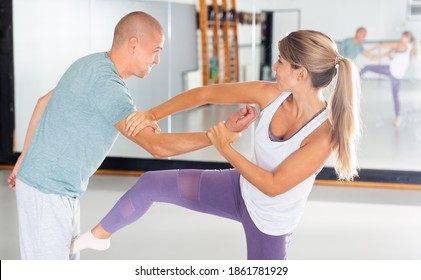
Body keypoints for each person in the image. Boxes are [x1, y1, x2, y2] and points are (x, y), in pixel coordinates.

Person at [71, 30, 361, 260]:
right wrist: (151, 114)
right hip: (238, 189)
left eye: (281, 62)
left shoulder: (323, 135)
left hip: (270, 224)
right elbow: (205, 94)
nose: (274, 67)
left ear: (301, 74)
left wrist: (226, 148)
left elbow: (273, 184)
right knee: (151, 184)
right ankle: (99, 236)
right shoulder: (270, 94)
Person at [7, 11, 256, 260]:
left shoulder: (89, 63)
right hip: (48, 189)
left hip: (53, 186)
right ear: (133, 44)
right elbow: (157, 147)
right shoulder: (108, 86)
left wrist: (23, 159)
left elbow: (42, 103)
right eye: (156, 50)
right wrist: (217, 135)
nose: (157, 60)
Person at [359, 31, 419, 126]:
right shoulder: (409, 48)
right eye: (402, 35)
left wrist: (370, 49)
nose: (402, 38)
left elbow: (383, 45)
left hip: (391, 71)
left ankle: (354, 79)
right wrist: (389, 55)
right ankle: (398, 118)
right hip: (397, 76)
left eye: (405, 37)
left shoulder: (400, 45)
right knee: (395, 97)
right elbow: (395, 58)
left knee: (367, 67)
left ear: (408, 39)